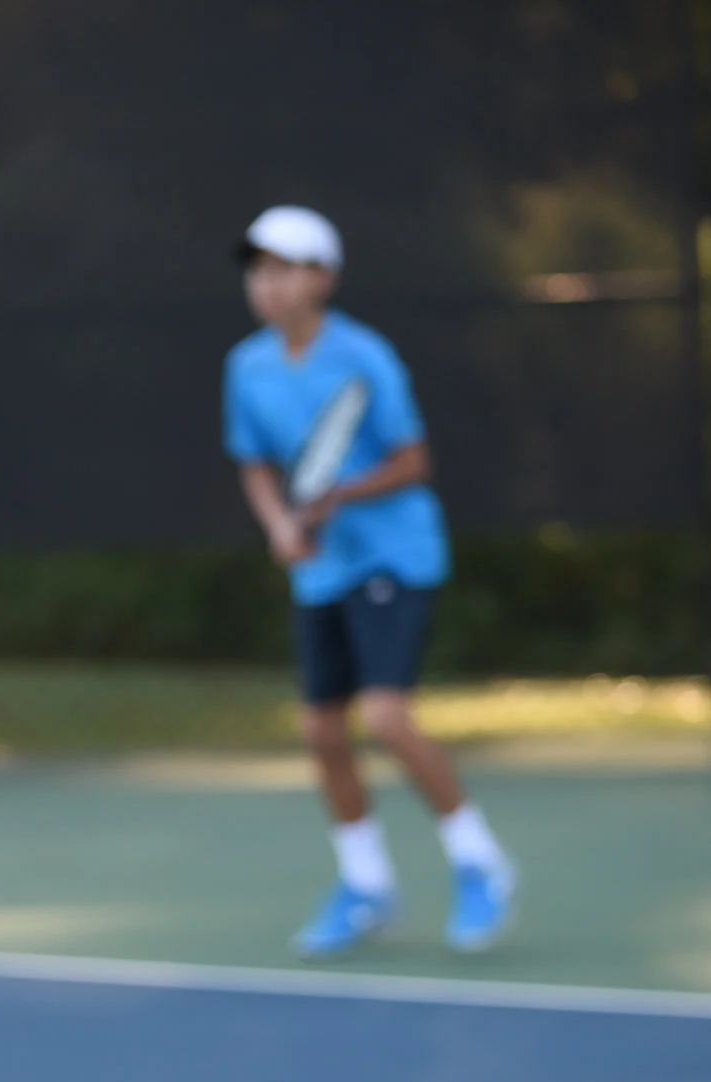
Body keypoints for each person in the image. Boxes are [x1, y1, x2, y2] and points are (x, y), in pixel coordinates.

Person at [222, 205, 519, 957]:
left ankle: (480, 863)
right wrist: (280, 526)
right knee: (322, 729)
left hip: (395, 557)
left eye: (286, 270)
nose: (269, 286)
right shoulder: (246, 367)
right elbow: (255, 462)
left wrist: (339, 497)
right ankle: (366, 885)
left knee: (385, 717)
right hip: (321, 569)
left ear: (324, 278)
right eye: (260, 272)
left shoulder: (366, 358)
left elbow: (415, 461)